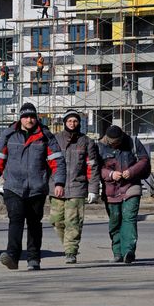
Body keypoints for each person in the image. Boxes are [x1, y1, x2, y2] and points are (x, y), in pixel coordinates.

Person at [0, 102, 65, 271]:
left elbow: (57, 161)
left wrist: (59, 182)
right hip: (13, 186)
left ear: (36, 118)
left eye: (32, 117)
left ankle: (33, 259)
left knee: (34, 223)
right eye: (26, 116)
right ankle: (12, 256)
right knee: (16, 220)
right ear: (20, 118)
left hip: (37, 187)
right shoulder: (9, 135)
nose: (29, 120)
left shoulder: (46, 136)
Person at [49, 109, 100, 264]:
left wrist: (93, 189)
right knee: (57, 221)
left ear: (79, 123)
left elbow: (93, 167)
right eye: (69, 121)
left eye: (75, 121)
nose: (72, 124)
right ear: (65, 122)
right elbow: (47, 163)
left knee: (74, 221)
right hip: (57, 187)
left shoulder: (86, 142)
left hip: (77, 187)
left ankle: (71, 251)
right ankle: (68, 244)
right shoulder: (55, 139)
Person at [98, 125, 151, 264]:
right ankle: (117, 253)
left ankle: (128, 251)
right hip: (111, 190)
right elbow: (96, 168)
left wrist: (131, 171)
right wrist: (110, 174)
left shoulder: (132, 142)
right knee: (115, 221)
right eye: (113, 143)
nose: (116, 145)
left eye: (118, 142)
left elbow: (144, 160)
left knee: (129, 218)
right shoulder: (99, 146)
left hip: (131, 186)